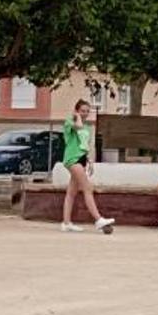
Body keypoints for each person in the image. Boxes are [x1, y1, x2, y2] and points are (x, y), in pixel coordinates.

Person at [60, 99, 115, 233]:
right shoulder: (69, 122)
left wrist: (89, 160)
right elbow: (77, 126)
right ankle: (98, 219)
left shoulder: (86, 128)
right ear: (77, 111)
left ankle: (66, 223)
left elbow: (85, 145)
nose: (85, 114)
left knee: (71, 192)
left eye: (87, 111)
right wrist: (76, 116)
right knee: (87, 187)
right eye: (82, 111)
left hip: (81, 158)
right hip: (72, 159)